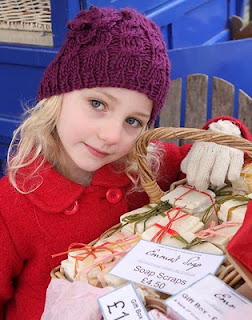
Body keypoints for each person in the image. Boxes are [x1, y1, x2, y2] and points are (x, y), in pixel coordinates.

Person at [0, 6, 251, 320]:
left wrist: (221, 134)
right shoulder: (13, 205)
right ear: (59, 93)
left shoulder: (147, 166)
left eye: (133, 120)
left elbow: (212, 163)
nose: (110, 136)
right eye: (98, 103)